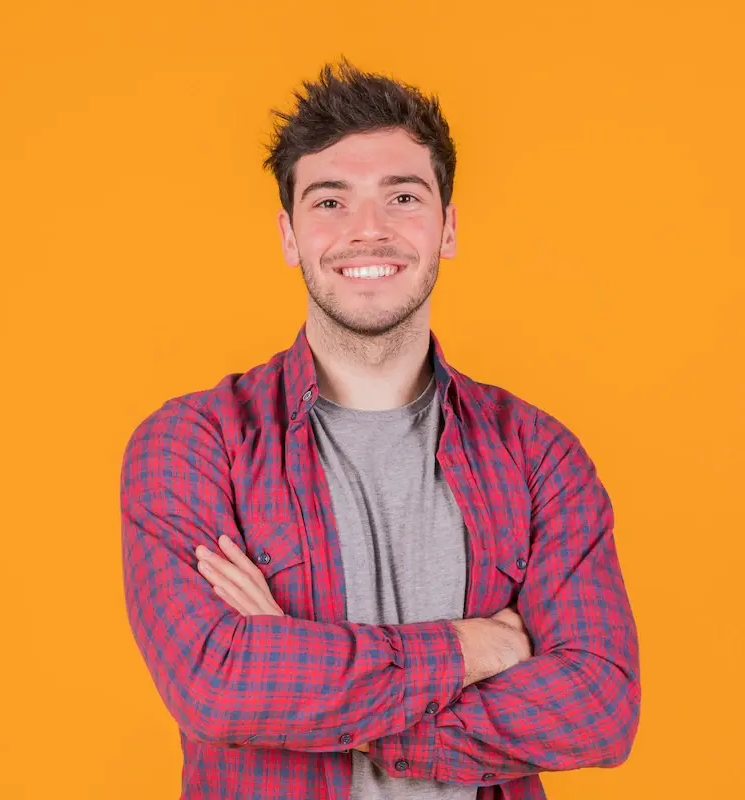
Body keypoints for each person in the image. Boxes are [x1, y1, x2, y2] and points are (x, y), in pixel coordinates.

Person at [120, 58, 640, 800]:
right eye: (330, 202)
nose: (368, 231)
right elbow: (218, 682)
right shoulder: (194, 444)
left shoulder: (538, 453)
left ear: (448, 227)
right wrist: (473, 648)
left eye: (402, 196)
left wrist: (307, 681)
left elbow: (598, 708)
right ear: (289, 235)